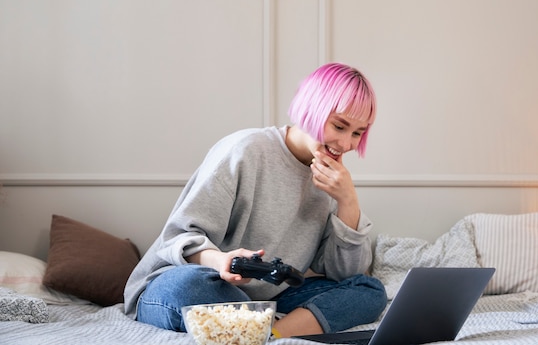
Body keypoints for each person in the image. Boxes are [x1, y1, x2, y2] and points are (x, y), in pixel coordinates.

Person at [123, 62, 387, 337]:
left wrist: (348, 202)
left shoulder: (331, 178)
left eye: (357, 132)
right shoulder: (245, 150)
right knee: (188, 285)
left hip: (266, 297)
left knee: (369, 289)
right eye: (339, 126)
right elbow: (177, 237)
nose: (345, 145)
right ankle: (255, 326)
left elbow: (344, 275)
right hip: (183, 285)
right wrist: (220, 261)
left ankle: (269, 333)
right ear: (313, 109)